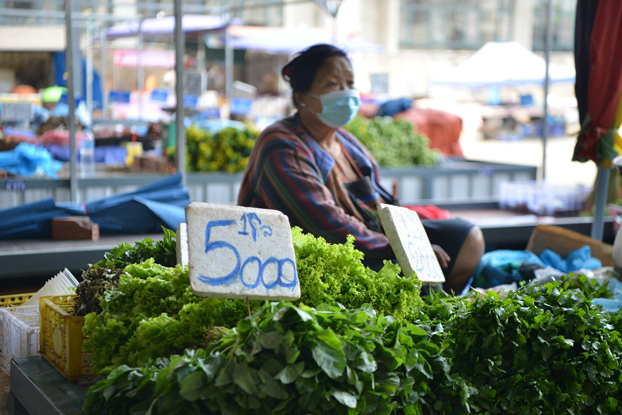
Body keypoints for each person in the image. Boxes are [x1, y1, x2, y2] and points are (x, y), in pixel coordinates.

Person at [237, 44, 484, 294]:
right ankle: (429, 305)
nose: (345, 92)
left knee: (466, 238)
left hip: (369, 235)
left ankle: (442, 306)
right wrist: (400, 250)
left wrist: (412, 240)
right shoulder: (281, 145)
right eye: (332, 84)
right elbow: (326, 224)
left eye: (350, 83)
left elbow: (381, 204)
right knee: (414, 278)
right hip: (313, 258)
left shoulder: (346, 141)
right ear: (302, 97)